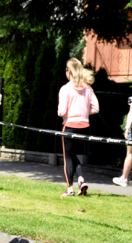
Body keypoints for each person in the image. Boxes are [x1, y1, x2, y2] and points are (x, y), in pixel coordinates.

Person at [57, 58, 99, 197]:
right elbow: (96, 108)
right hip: (84, 126)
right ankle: (81, 180)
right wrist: (84, 112)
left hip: (69, 126)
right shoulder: (88, 88)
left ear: (69, 71)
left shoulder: (65, 89)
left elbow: (62, 112)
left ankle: (70, 188)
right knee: (74, 155)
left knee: (68, 158)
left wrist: (62, 113)